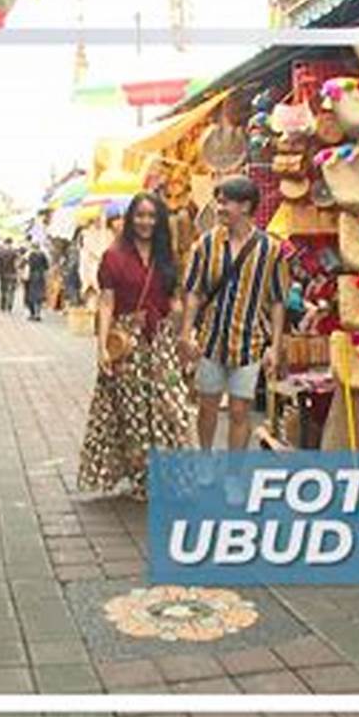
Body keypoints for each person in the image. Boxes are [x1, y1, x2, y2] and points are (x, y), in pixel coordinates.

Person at [79, 192, 193, 500]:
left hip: (161, 341)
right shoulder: (113, 258)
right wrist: (102, 346)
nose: (146, 222)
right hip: (127, 342)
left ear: (159, 221)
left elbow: (174, 299)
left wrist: (184, 327)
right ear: (130, 220)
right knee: (133, 413)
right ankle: (144, 478)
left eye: (152, 216)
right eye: (140, 216)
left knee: (173, 404)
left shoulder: (167, 258)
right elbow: (106, 303)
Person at [180, 175, 289, 450]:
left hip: (248, 345)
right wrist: (186, 333)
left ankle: (233, 472)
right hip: (210, 342)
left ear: (245, 206)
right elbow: (193, 292)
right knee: (207, 406)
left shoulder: (270, 249)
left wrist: (275, 347)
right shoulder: (205, 244)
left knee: (241, 411)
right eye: (218, 201)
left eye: (225, 202)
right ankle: (205, 461)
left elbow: (277, 301)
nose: (219, 208)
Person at [24, 244, 50, 321]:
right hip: (40, 278)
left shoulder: (30, 255)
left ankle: (32, 314)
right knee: (39, 296)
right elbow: (47, 267)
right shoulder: (43, 255)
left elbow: (27, 265)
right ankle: (38, 314)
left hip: (31, 277)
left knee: (31, 296)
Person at [0, 239, 19, 312]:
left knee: (3, 290)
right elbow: (16, 264)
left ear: (4, 243)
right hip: (12, 274)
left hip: (2, 274)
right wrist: (17, 273)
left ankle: (2, 306)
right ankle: (9, 306)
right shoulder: (14, 253)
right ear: (11, 243)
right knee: (11, 291)